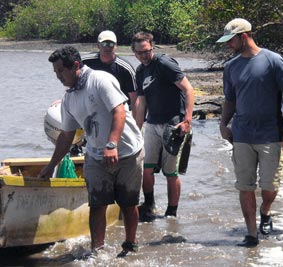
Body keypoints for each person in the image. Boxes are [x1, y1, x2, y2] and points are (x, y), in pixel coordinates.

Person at [39, 46, 144, 258]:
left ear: (76, 66)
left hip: (127, 150)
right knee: (97, 204)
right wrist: (50, 166)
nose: (59, 77)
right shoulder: (69, 99)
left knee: (128, 203)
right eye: (56, 73)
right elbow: (67, 136)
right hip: (96, 155)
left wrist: (112, 144)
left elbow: (119, 110)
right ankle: (97, 252)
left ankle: (130, 245)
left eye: (61, 71)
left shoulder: (100, 80)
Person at [217, 18, 283, 247]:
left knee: (269, 186)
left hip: (269, 133)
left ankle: (266, 210)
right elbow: (230, 99)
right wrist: (224, 124)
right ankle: (251, 234)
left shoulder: (273, 61)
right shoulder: (231, 67)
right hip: (242, 134)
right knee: (245, 185)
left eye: (230, 40)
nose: (228, 45)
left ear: (244, 36)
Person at [131, 31, 194, 222]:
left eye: (146, 51)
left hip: (173, 123)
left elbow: (189, 89)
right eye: (139, 53)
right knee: (146, 168)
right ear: (134, 52)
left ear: (152, 47)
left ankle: (171, 213)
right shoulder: (140, 71)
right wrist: (136, 130)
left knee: (170, 171)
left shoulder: (164, 64)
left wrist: (187, 121)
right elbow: (141, 103)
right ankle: (149, 205)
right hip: (152, 123)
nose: (143, 56)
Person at [82, 30, 138, 116]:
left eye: (111, 44)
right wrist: (65, 98)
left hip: (120, 108)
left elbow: (134, 99)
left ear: (116, 46)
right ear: (98, 45)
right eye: (104, 44)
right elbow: (73, 79)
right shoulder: (85, 61)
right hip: (92, 105)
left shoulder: (125, 68)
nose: (107, 47)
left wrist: (136, 124)